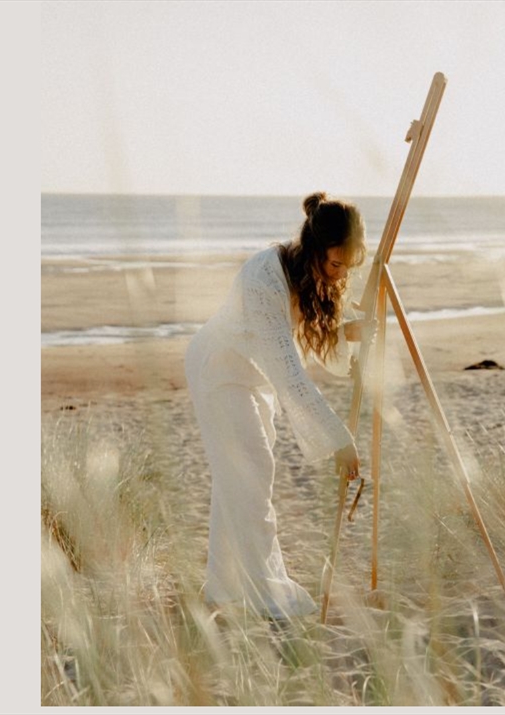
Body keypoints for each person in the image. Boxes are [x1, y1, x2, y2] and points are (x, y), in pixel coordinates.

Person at [184, 192, 371, 619]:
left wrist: (348, 333)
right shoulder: (263, 278)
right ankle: (267, 596)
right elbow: (289, 374)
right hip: (218, 372)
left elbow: (322, 346)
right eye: (335, 264)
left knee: (236, 482)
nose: (340, 275)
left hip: (251, 378)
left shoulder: (311, 276)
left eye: (348, 266)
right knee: (251, 474)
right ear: (314, 249)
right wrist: (339, 439)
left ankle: (223, 589)